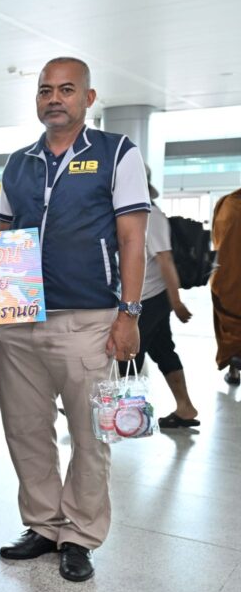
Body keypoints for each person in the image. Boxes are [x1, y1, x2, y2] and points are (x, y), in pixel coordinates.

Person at [0, 57, 149, 583]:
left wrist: (129, 313)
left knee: (90, 435)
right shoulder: (19, 162)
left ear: (88, 98)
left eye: (67, 89)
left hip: (89, 319)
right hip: (18, 320)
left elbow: (132, 238)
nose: (55, 98)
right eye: (46, 90)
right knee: (25, 430)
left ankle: (79, 534)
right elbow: (4, 237)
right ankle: (43, 525)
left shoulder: (117, 152)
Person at [117, 178, 199, 428]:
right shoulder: (135, 214)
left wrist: (176, 302)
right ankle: (185, 408)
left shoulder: (150, 216)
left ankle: (123, 412)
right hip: (147, 296)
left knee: (127, 351)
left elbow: (166, 260)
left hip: (150, 297)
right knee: (163, 350)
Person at [212, 188, 241, 385]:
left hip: (227, 276)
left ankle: (234, 369)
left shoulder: (227, 204)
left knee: (229, 326)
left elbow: (217, 239)